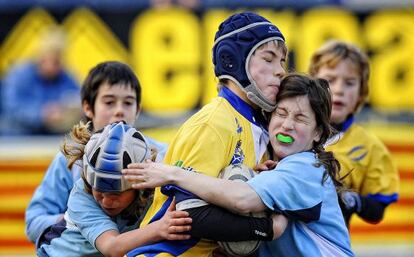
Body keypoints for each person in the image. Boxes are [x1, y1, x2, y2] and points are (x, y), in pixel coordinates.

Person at [124, 74, 354, 257]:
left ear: (318, 133)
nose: (287, 125)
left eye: (301, 119)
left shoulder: (305, 167)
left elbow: (242, 199)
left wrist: (174, 174)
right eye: (281, 113)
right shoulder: (268, 165)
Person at [122, 11, 288, 257]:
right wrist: (266, 228)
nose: (280, 71)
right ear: (233, 60)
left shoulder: (260, 126)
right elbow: (191, 215)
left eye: (282, 61)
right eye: (269, 58)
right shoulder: (214, 122)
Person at [25, 61, 168, 244]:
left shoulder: (161, 155)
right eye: (109, 102)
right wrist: (80, 223)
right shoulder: (70, 159)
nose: (119, 111)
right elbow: (34, 222)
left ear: (138, 109)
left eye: (128, 103)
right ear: (88, 107)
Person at [36, 122, 192, 257]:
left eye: (116, 193)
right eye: (99, 191)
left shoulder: (153, 182)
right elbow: (112, 247)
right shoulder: (82, 195)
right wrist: (158, 228)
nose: (107, 201)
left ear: (141, 183)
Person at [308, 40, 399, 226]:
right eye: (330, 80)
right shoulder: (288, 126)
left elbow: (377, 210)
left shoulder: (369, 146)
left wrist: (351, 199)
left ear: (361, 92)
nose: (339, 90)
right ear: (312, 83)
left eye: (349, 83)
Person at [1, 26, 81, 135]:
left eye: (57, 62)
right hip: (17, 138)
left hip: (52, 139)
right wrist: (42, 114)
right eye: (49, 60)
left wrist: (70, 112)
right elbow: (10, 109)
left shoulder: (66, 76)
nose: (53, 67)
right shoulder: (19, 75)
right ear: (40, 56)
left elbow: (78, 100)